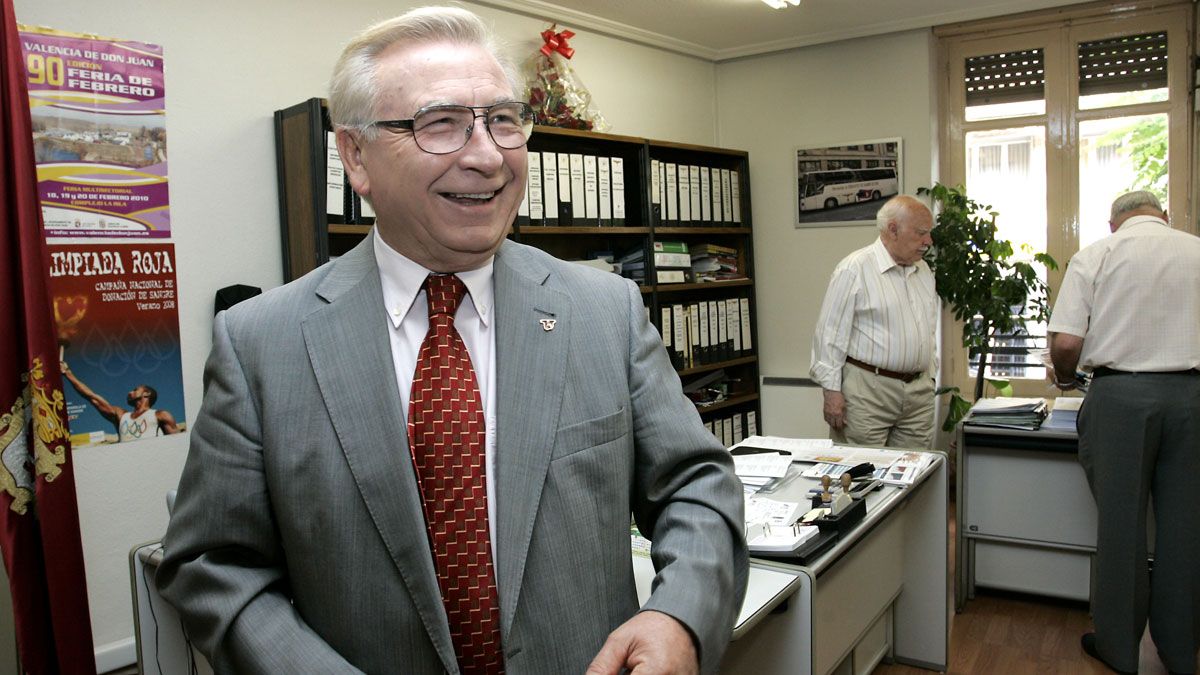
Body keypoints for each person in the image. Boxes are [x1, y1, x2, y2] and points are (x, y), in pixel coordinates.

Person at [156, 7, 747, 675]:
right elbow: (212, 563)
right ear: (355, 156)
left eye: (503, 120)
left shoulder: (604, 311)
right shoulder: (260, 344)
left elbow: (696, 484)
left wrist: (680, 617)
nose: (488, 156)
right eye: (440, 123)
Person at [1049, 190, 1200, 675]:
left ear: (1113, 223)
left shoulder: (1098, 254)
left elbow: (1066, 342)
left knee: (1121, 527)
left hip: (1120, 397)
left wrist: (1068, 378)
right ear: (1165, 216)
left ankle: (1119, 649)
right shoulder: (1196, 250)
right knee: (1187, 528)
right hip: (1192, 398)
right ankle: (1181, 651)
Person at [809, 195, 938, 449]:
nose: (928, 241)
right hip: (868, 392)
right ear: (893, 229)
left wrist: (930, 376)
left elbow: (928, 328)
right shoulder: (854, 268)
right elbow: (830, 334)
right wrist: (831, 392)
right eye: (921, 233)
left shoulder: (923, 270)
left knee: (914, 468)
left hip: (918, 394)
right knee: (862, 468)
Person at [60, 361, 179, 440]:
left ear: (146, 393)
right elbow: (92, 397)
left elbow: (175, 445)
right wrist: (68, 373)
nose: (129, 392)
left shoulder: (161, 415)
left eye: (135, 390)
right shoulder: (121, 415)